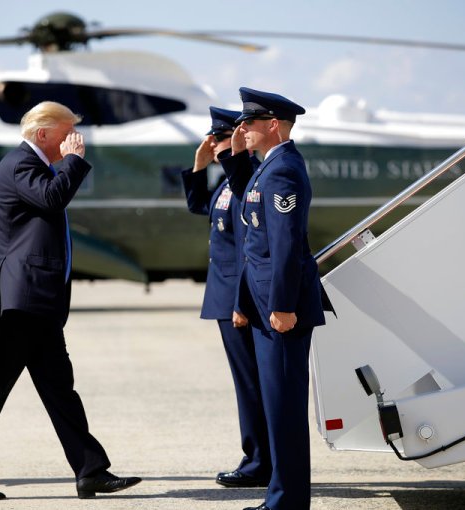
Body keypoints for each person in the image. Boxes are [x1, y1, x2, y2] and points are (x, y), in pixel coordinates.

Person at [0, 101, 141, 501]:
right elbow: (52, 199)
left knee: (60, 390)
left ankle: (91, 471)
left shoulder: (36, 165)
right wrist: (72, 163)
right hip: (16, 303)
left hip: (37, 302)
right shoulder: (21, 164)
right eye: (67, 133)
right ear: (42, 134)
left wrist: (66, 163)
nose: (74, 141)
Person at [225, 88, 328, 510]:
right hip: (265, 305)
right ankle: (279, 498)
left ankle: (286, 502)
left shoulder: (283, 170)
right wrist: (244, 302)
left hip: (280, 310)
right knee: (275, 404)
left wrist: (282, 306)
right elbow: (252, 231)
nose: (242, 129)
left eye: (249, 123)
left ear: (272, 125)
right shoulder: (269, 167)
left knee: (284, 409)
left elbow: (284, 246)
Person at [180, 107, 271, 488]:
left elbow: (246, 250)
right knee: (246, 383)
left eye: (217, 141)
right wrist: (199, 167)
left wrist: (241, 304)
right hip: (225, 296)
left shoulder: (246, 180)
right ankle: (258, 458)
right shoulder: (229, 183)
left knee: (251, 385)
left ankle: (258, 462)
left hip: (238, 299)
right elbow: (202, 207)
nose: (212, 146)